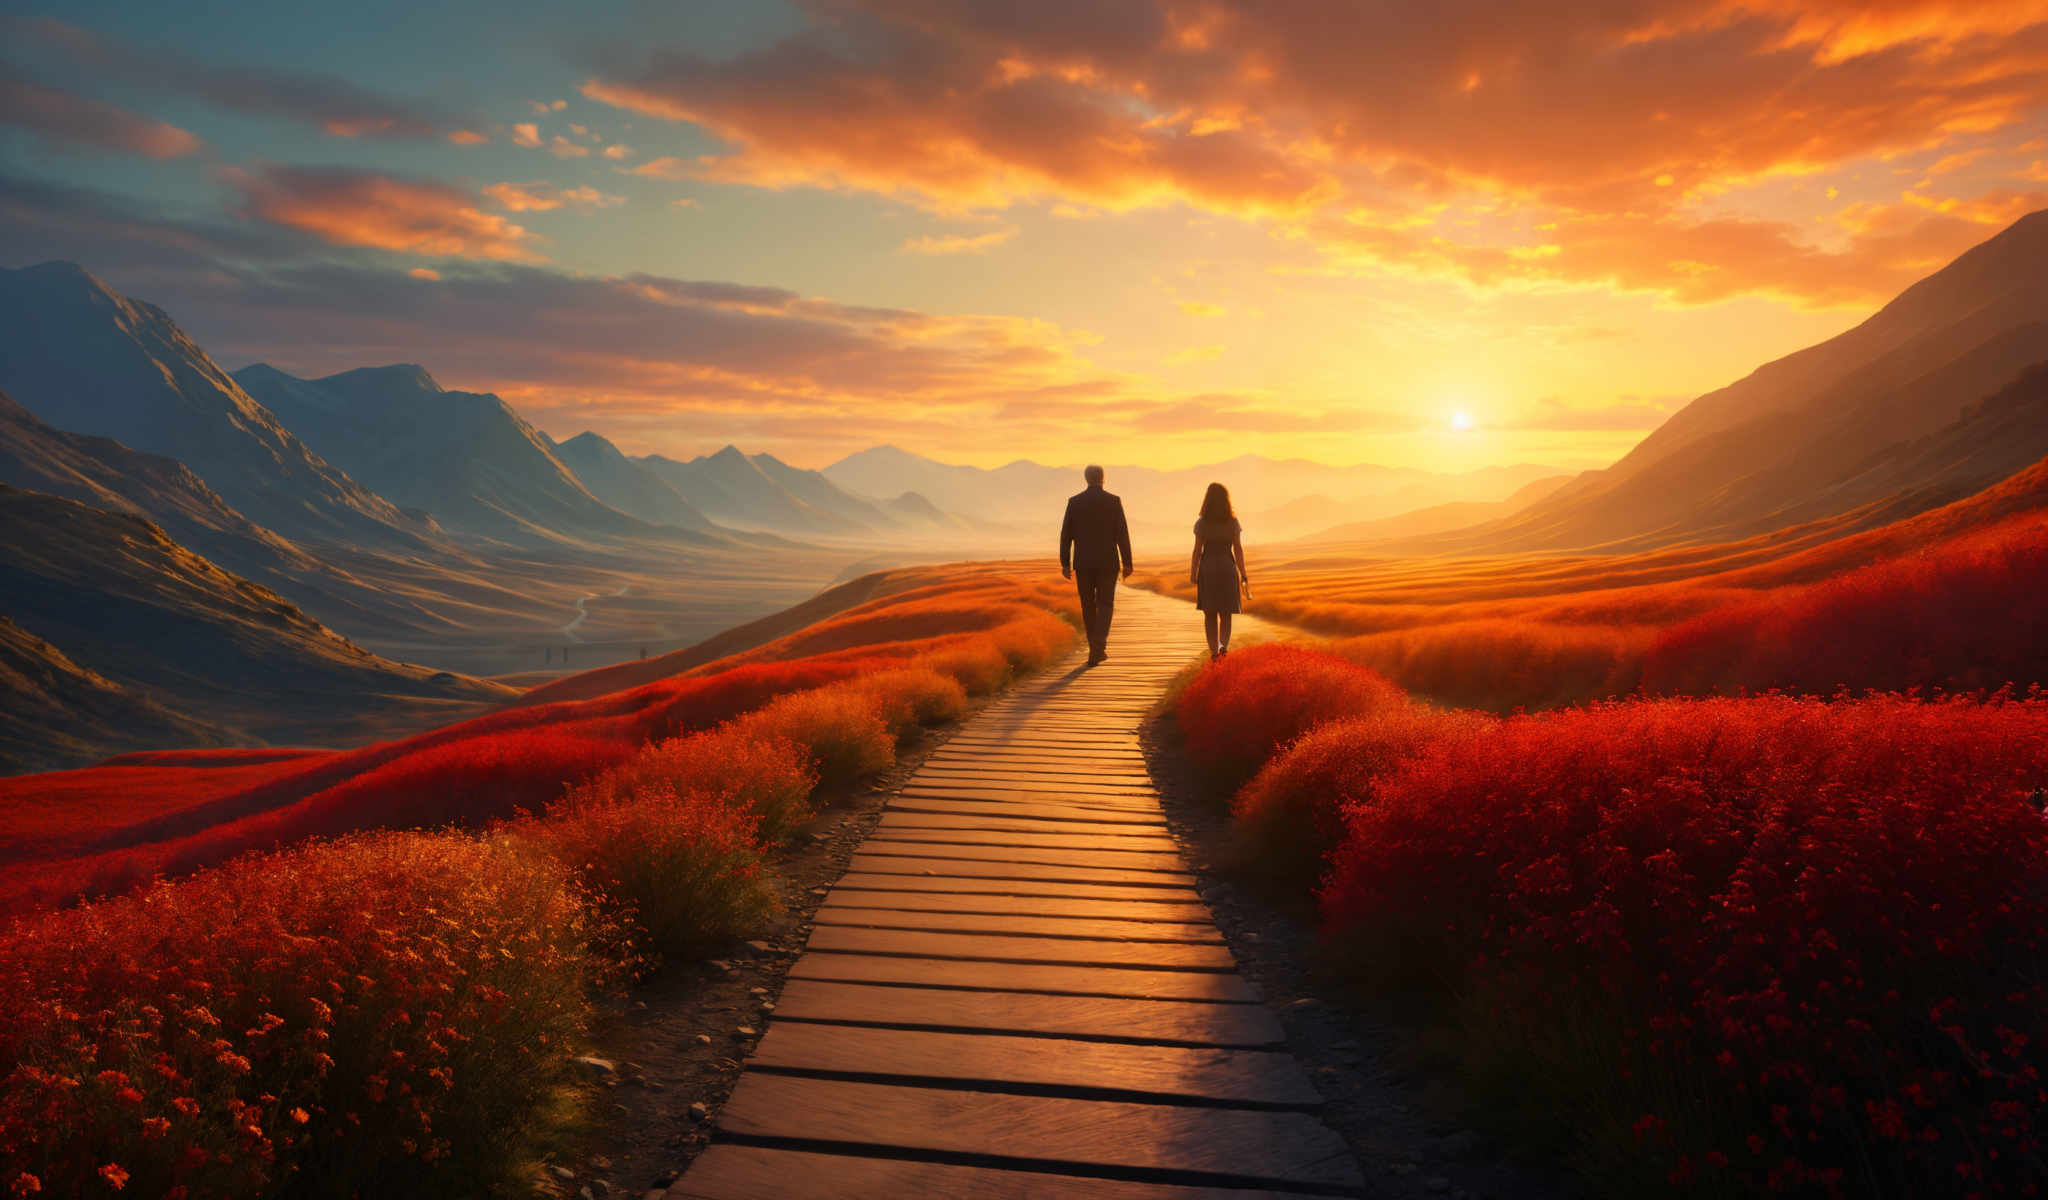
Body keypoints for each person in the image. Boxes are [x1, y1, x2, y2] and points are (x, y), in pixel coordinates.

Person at [1059, 464, 1134, 666]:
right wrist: (1127, 562)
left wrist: (1065, 563)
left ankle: (1095, 647)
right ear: (1103, 478)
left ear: (1086, 479)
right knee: (1106, 604)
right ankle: (1098, 645)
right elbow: (1122, 533)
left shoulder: (1075, 502)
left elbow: (1066, 535)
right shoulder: (1113, 501)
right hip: (1108, 562)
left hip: (1083, 563)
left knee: (1087, 606)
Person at [1191, 482, 1248, 660]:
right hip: (1227, 567)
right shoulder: (1233, 522)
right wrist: (1243, 573)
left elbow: (1197, 550)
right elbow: (1238, 549)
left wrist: (1193, 572)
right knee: (1226, 612)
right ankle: (1223, 646)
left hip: (1208, 568)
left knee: (1209, 613)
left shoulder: (1201, 523)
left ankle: (1214, 652)